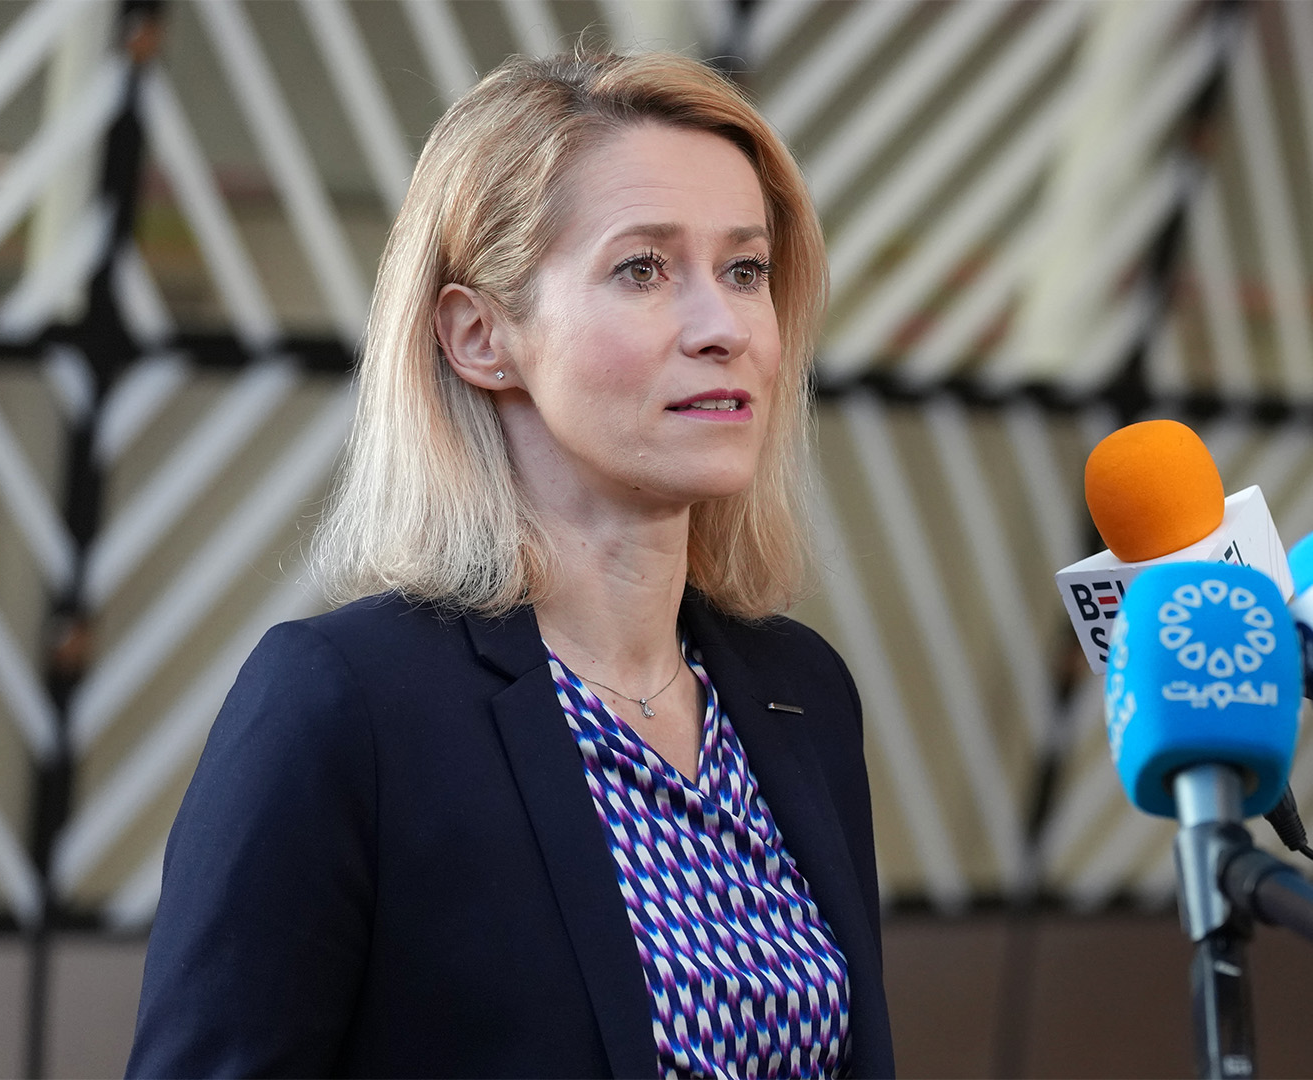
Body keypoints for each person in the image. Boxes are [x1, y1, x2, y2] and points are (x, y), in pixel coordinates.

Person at [126, 50, 893, 1079]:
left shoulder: (802, 693)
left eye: (745, 271)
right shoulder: (344, 706)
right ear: (480, 336)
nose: (725, 328)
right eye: (643, 268)